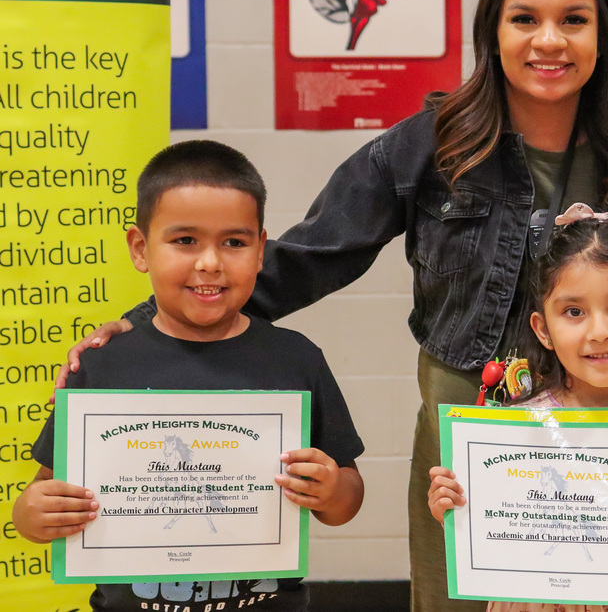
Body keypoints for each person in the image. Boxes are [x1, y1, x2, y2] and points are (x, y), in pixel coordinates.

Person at [56, 0, 608, 609]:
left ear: (602, 34)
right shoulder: (432, 142)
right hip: (472, 440)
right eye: (525, 19)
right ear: (493, 31)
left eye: (573, 20)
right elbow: (311, 254)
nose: (549, 40)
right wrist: (151, 331)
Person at [15, 141, 365, 611]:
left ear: (261, 251)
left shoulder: (296, 359)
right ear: (140, 249)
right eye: (185, 241)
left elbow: (345, 501)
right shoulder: (101, 366)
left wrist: (331, 490)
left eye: (234, 243)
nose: (210, 263)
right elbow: (42, 492)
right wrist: (33, 515)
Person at [428, 210, 608, 612]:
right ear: (543, 329)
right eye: (574, 312)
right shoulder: (514, 428)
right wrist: (458, 516)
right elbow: (491, 560)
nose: (599, 331)